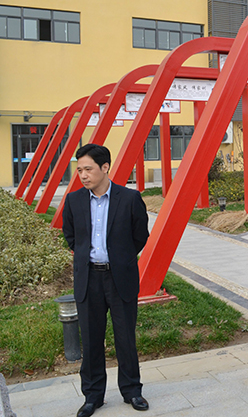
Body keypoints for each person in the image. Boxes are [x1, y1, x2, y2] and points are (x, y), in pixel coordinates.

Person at [62, 144, 150, 417]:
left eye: (88, 169)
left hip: (119, 277)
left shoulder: (129, 198)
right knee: (91, 340)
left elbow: (140, 235)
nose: (83, 175)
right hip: (88, 279)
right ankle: (93, 396)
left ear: (105, 167)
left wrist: (121, 258)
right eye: (79, 170)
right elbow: (71, 236)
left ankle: (132, 391)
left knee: (125, 338)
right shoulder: (74, 201)